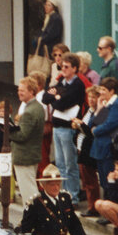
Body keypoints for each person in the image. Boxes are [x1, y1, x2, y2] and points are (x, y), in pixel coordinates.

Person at [19, 165, 91, 235]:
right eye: (52, 185)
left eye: (58, 184)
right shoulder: (36, 203)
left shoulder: (65, 198)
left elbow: (75, 226)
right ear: (43, 186)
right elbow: (26, 231)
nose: (56, 188)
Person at [42, 54, 85, 202]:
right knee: (59, 164)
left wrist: (57, 97)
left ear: (74, 68)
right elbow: (45, 98)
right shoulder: (62, 82)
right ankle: (62, 193)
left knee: (69, 164)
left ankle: (72, 195)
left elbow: (63, 104)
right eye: (62, 66)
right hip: (57, 127)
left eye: (67, 67)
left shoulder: (77, 85)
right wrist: (57, 97)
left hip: (68, 128)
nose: (63, 69)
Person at [10, 76, 46, 205]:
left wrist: (7, 132)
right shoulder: (38, 107)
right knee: (30, 190)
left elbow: (22, 135)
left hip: (24, 156)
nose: (19, 92)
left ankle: (34, 220)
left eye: (22, 90)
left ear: (31, 91)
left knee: (29, 193)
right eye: (19, 90)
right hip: (31, 155)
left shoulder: (29, 112)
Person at [88, 77, 118, 194]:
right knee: (104, 181)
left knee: (110, 180)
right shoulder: (105, 105)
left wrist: (96, 131)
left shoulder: (116, 105)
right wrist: (98, 109)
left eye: (104, 90)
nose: (101, 92)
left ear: (112, 91)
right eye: (101, 89)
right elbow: (91, 123)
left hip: (109, 148)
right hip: (100, 148)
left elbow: (110, 124)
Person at [73, 86, 103, 213]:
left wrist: (80, 125)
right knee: (85, 179)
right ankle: (92, 205)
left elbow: (91, 131)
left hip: (89, 149)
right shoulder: (89, 110)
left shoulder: (99, 113)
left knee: (90, 179)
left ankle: (93, 207)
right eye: (89, 97)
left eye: (93, 97)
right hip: (81, 148)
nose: (91, 100)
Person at [95, 36, 118, 100]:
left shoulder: (114, 66)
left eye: (100, 48)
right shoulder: (107, 64)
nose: (97, 50)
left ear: (109, 49)